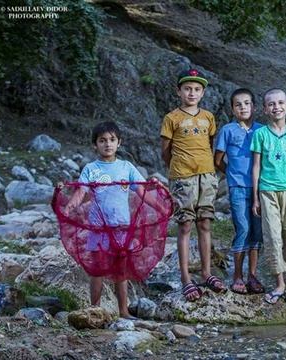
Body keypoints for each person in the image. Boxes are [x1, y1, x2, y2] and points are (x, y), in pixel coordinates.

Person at [63, 121, 163, 319]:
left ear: (119, 143)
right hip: (98, 228)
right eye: (102, 141)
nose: (107, 144)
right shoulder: (91, 169)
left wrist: (161, 207)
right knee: (97, 269)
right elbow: (80, 192)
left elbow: (142, 192)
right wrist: (67, 208)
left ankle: (123, 311)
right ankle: (95, 309)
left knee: (121, 269)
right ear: (95, 145)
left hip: (121, 227)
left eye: (112, 140)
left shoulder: (126, 167)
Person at [160, 68, 226, 302]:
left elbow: (209, 143)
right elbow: (166, 152)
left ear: (203, 93)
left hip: (207, 175)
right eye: (187, 88)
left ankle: (207, 272)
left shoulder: (208, 117)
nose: (192, 92)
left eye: (197, 89)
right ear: (179, 91)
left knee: (205, 222)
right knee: (186, 225)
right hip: (182, 177)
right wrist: (177, 172)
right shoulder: (172, 118)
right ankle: (186, 277)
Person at [251, 88, 286, 313]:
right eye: (271, 104)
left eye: (280, 103)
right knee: (273, 237)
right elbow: (256, 167)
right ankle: (279, 284)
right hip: (267, 191)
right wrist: (255, 196)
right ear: (265, 109)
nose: (276, 107)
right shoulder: (261, 135)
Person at [214, 88, 265, 294]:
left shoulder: (262, 130)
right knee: (242, 228)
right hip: (237, 187)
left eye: (247, 103)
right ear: (233, 109)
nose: (243, 107)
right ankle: (237, 275)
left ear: (254, 106)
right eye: (238, 104)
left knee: (257, 231)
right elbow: (218, 160)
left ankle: (253, 275)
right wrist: (231, 174)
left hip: (260, 188)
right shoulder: (228, 130)